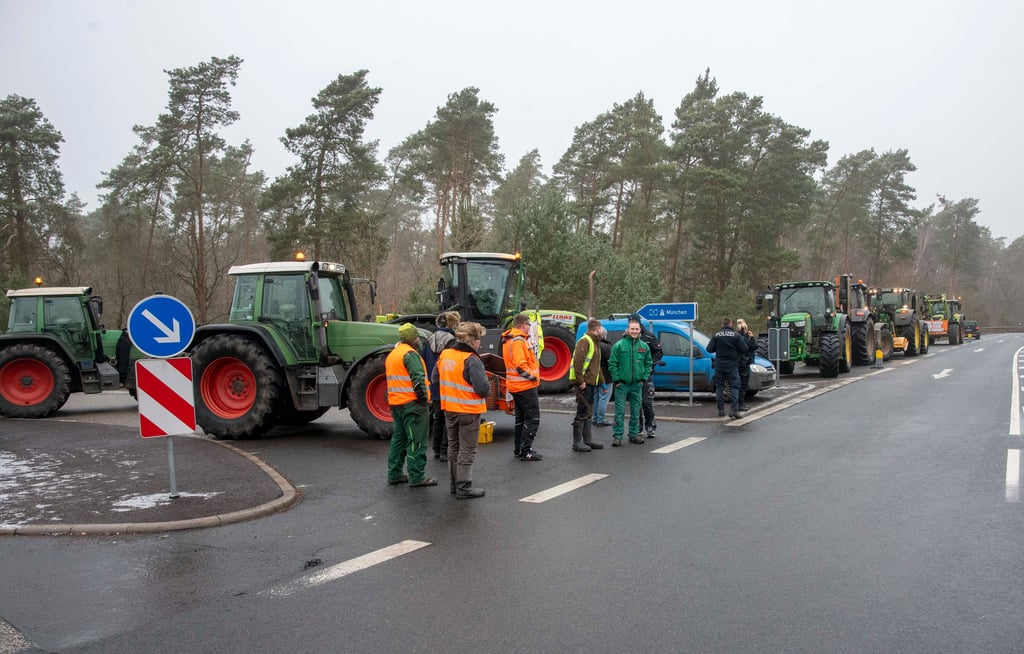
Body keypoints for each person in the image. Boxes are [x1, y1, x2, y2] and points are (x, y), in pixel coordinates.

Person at [432, 322, 491, 499]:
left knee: (453, 446)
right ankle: (464, 487)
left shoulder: (446, 354)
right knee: (467, 449)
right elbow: (483, 389)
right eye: (479, 340)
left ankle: (454, 484)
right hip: (468, 410)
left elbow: (435, 378)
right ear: (472, 341)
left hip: (449, 409)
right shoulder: (471, 359)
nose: (480, 344)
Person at [385, 323, 436, 487]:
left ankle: (394, 473)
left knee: (398, 440)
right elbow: (418, 380)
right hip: (413, 405)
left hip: (396, 404)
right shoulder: (410, 355)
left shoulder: (393, 354)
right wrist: (424, 400)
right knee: (417, 441)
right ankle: (417, 476)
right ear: (414, 339)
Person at [502, 312, 543, 461]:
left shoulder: (509, 339)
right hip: (524, 386)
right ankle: (526, 450)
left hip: (515, 386)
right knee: (533, 418)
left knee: (521, 419)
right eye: (529, 325)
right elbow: (521, 366)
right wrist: (534, 376)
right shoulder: (518, 341)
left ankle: (519, 449)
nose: (530, 327)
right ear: (524, 325)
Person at [608, 318, 652, 446]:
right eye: (632, 329)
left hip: (637, 385)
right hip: (622, 385)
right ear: (628, 329)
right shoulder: (619, 345)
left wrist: (643, 378)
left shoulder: (644, 347)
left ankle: (634, 434)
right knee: (620, 412)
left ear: (640, 330)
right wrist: (617, 380)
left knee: (636, 411)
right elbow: (612, 364)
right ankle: (617, 436)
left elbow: (648, 363)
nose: (634, 331)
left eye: (636, 329)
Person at [425, 311, 460, 461]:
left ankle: (437, 449)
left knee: (438, 417)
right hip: (447, 384)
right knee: (449, 420)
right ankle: (446, 450)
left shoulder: (429, 339)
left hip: (433, 384)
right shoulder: (452, 341)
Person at [569, 318, 606, 452]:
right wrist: (580, 381)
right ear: (597, 329)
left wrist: (602, 383)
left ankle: (587, 439)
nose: (602, 331)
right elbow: (578, 362)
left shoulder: (595, 342)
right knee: (583, 410)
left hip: (590, 382)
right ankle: (577, 442)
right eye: (601, 329)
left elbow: (596, 366)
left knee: (588, 410)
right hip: (584, 383)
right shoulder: (585, 341)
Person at [706, 317, 749, 419]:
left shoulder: (716, 335)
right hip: (732, 365)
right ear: (730, 324)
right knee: (734, 387)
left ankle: (721, 410)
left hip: (719, 365)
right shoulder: (736, 336)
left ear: (722, 324)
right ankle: (734, 410)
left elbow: (709, 349)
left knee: (719, 387)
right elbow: (744, 348)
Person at [630, 313, 663, 439]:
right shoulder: (627, 336)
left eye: (634, 322)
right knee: (636, 404)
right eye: (630, 322)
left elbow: (659, 352)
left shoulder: (649, 336)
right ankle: (638, 429)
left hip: (646, 375)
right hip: (632, 377)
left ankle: (650, 426)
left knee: (646, 402)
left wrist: (650, 365)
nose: (633, 325)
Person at [735, 318, 758, 412]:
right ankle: (740, 404)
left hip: (738, 363)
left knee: (739, 385)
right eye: (746, 329)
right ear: (744, 329)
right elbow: (754, 346)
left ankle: (739, 403)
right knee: (743, 385)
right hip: (744, 364)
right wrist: (752, 337)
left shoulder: (736, 338)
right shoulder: (744, 339)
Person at [591, 326, 613, 427]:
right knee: (604, 398)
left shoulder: (592, 345)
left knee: (596, 397)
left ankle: (594, 418)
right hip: (606, 376)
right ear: (604, 336)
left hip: (594, 375)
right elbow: (610, 363)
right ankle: (601, 419)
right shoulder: (606, 347)